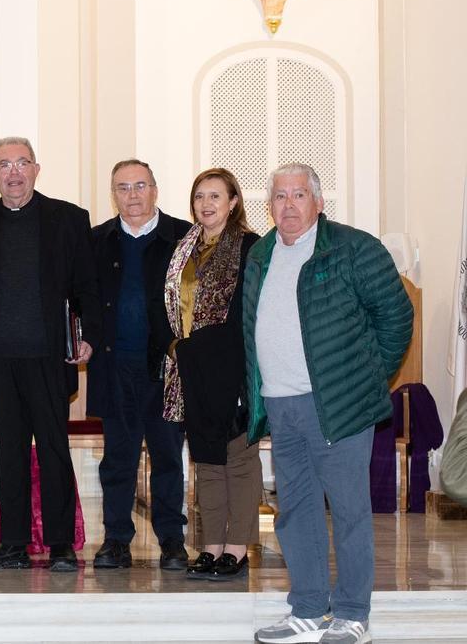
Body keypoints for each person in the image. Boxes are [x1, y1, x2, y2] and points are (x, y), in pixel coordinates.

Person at [247, 163, 412, 644]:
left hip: (337, 404)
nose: (289, 205)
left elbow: (398, 317)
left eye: (299, 195)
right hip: (280, 403)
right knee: (294, 509)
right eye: (279, 196)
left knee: (348, 509)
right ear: (270, 205)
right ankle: (308, 608)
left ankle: (353, 613)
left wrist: (362, 379)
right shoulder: (260, 253)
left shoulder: (353, 248)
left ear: (319, 202)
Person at [0, 136, 100, 572]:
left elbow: (87, 286)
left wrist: (88, 335)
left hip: (48, 357)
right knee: (10, 452)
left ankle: (60, 545)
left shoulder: (68, 219)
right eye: (4, 165)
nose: (14, 172)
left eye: (22, 163)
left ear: (37, 169)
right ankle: (14, 544)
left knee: (55, 450)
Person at [86, 159, 192, 570]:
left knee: (167, 456)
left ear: (155, 190)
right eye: (123, 188)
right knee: (118, 459)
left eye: (140, 186)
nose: (132, 195)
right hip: (114, 368)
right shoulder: (96, 240)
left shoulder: (184, 237)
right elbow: (80, 301)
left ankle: (171, 541)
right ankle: (116, 540)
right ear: (113, 194)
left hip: (166, 371)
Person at [158, 168, 261, 581]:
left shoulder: (250, 246)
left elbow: (248, 312)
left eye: (216, 196)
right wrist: (177, 350)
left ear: (233, 202)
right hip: (192, 368)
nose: (206, 204)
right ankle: (210, 546)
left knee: (237, 459)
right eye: (200, 196)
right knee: (205, 461)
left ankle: (237, 549)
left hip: (232, 366)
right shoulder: (184, 248)